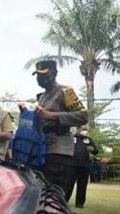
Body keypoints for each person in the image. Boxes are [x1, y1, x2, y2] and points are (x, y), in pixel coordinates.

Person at [32, 60, 88, 201]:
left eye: (44, 74)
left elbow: (83, 116)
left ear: (54, 73)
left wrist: (52, 116)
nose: (40, 78)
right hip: (43, 150)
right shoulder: (42, 97)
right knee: (41, 198)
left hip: (60, 152)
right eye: (38, 75)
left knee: (55, 198)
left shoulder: (66, 91)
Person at [68, 125, 98, 208]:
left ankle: (79, 203)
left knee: (82, 185)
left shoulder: (89, 139)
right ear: (78, 128)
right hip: (71, 165)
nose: (85, 130)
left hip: (84, 166)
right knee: (68, 184)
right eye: (83, 129)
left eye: (86, 129)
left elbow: (96, 151)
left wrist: (93, 150)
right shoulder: (72, 137)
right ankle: (64, 200)